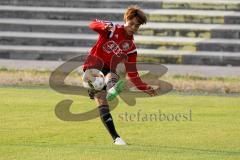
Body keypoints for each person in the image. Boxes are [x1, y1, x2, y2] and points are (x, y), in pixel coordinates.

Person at [82, 5, 157, 145]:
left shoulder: (131, 48)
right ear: (125, 19)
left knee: (111, 79)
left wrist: (144, 87)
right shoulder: (112, 29)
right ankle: (103, 89)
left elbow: (133, 74)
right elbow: (92, 24)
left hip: (108, 70)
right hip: (92, 66)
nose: (133, 28)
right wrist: (104, 26)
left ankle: (116, 138)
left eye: (137, 26)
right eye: (131, 24)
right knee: (100, 86)